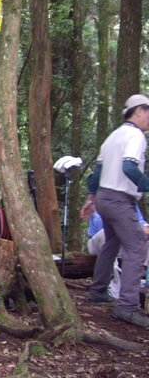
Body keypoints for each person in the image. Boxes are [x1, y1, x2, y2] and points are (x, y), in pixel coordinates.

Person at [81, 94, 149, 328]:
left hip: (104, 198)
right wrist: (146, 184)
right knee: (137, 244)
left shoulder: (113, 137)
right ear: (138, 111)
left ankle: (98, 291)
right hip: (120, 200)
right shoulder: (135, 135)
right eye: (148, 112)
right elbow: (129, 165)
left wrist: (91, 199)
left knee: (112, 243)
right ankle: (128, 307)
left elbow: (97, 173)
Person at [82, 206, 149, 298]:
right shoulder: (104, 199)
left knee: (146, 240)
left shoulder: (130, 200)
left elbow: (140, 220)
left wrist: (145, 227)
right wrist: (133, 225)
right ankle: (112, 285)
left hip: (124, 241)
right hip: (98, 241)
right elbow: (102, 224)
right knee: (107, 235)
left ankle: (138, 275)